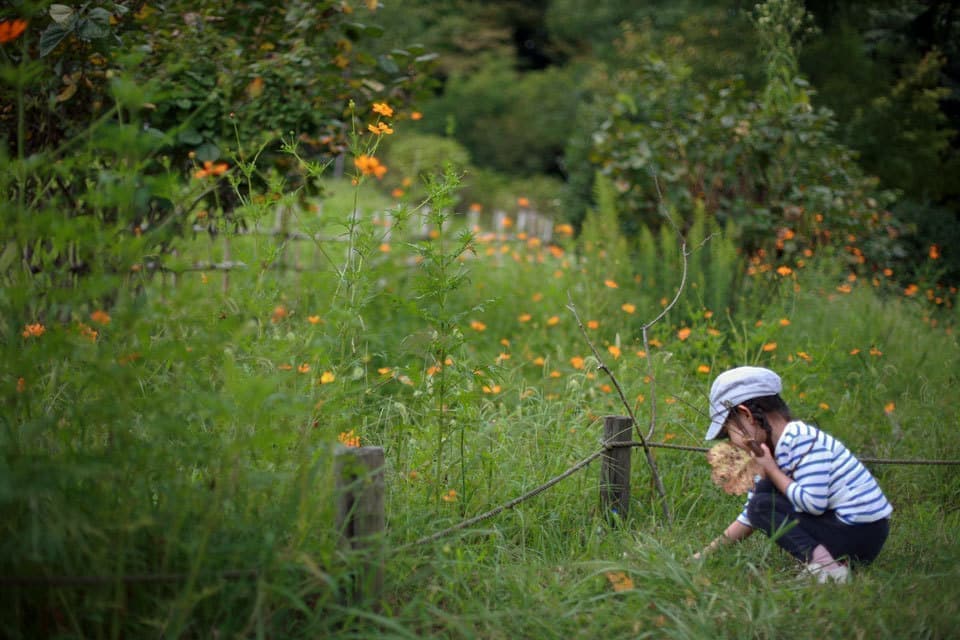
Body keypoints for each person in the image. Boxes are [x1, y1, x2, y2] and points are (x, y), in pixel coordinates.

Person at [694, 366, 892, 583]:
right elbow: (753, 514)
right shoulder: (774, 450)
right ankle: (830, 563)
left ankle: (828, 569)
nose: (731, 443)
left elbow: (813, 503)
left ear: (747, 415)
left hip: (861, 532)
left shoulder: (802, 440)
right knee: (761, 501)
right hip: (843, 529)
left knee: (763, 503)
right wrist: (705, 554)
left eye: (728, 432)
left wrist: (771, 470)